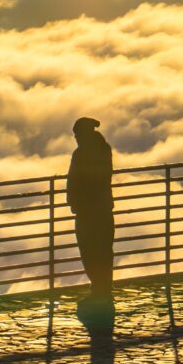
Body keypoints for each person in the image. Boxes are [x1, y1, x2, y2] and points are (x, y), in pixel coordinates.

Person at [67, 117, 114, 301]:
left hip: (87, 210)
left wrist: (73, 201)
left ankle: (98, 287)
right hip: (103, 208)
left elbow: (74, 179)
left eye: (77, 134)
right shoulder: (104, 149)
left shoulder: (81, 154)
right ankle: (103, 287)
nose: (76, 138)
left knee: (89, 249)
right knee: (104, 249)